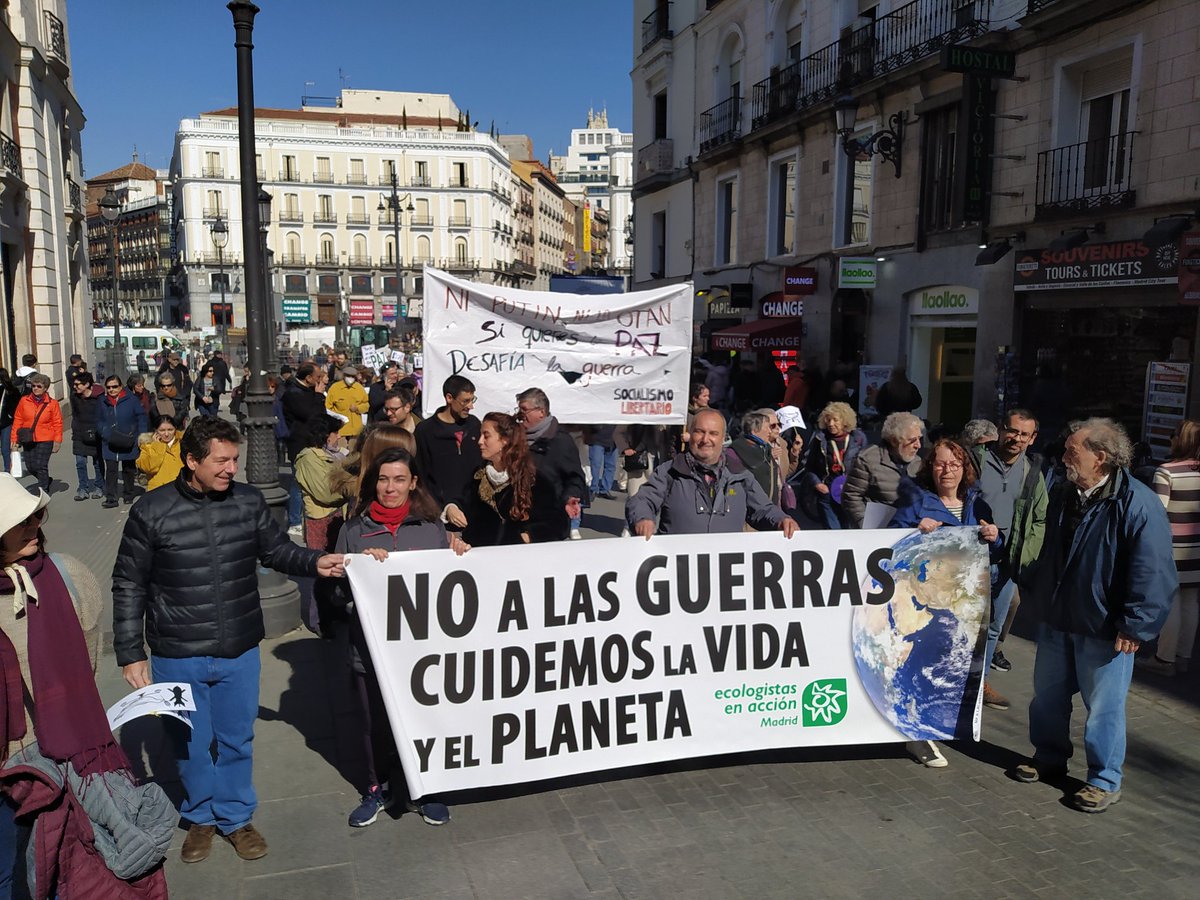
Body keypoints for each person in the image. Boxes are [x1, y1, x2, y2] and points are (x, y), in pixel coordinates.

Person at [112, 417, 347, 863]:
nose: (230, 469)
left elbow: (277, 551)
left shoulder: (248, 501)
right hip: (176, 653)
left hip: (238, 647)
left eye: (234, 460)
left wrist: (316, 562)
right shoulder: (151, 509)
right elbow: (128, 583)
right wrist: (130, 653)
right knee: (187, 743)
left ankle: (236, 819)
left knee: (237, 741)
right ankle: (200, 817)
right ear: (192, 460)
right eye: (221, 460)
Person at [0, 474, 172, 898]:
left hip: (66, 762)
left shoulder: (68, 574)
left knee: (67, 866)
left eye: (35, 515)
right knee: (8, 874)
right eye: (18, 521)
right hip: (5, 768)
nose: (34, 526)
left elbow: (89, 666)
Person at [1013, 418, 1175, 813]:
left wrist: (1136, 625)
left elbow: (1152, 570)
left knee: (1103, 708)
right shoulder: (1067, 492)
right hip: (1059, 619)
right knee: (1047, 699)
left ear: (1099, 457)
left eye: (1072, 451)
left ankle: (1103, 779)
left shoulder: (1137, 502)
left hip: (1104, 628)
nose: (1064, 457)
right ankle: (1049, 757)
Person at [332, 447, 467, 828]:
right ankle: (376, 788)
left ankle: (427, 789)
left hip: (421, 654)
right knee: (373, 723)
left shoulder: (431, 530)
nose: (390, 488)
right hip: (370, 653)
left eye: (399, 479)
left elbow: (449, 588)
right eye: (383, 479)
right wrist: (356, 574)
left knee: (425, 720)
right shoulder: (353, 531)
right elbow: (335, 597)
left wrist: (460, 556)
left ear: (413, 484)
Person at [891, 438, 1003, 769]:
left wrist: (996, 538)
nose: (947, 471)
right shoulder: (918, 503)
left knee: (955, 666)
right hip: (929, 605)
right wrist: (914, 529)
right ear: (930, 468)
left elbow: (993, 551)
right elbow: (889, 541)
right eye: (940, 464)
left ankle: (945, 725)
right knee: (921, 665)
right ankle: (916, 737)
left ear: (965, 469)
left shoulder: (976, 505)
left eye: (954, 464)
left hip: (966, 603)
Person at [971, 410, 1047, 706]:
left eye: (1023, 434)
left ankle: (979, 685)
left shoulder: (1032, 471)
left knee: (993, 627)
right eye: (1012, 431)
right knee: (962, 625)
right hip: (970, 558)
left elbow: (1040, 519)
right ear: (1001, 430)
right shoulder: (975, 460)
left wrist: (1023, 557)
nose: (1015, 439)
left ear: (1032, 439)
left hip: (1006, 564)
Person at [626, 409, 799, 538]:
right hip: (679, 571)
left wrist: (782, 520)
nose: (705, 439)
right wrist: (643, 518)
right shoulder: (670, 472)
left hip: (725, 573)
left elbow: (763, 509)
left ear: (723, 438)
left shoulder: (740, 475)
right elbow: (641, 500)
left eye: (713, 433)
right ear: (690, 435)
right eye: (699, 431)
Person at [443, 412, 566, 546]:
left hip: (518, 560)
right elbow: (463, 501)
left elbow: (558, 523)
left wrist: (528, 536)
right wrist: (452, 508)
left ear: (505, 440)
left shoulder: (534, 480)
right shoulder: (478, 476)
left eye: (486, 436)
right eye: (480, 435)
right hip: (480, 558)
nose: (480, 441)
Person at [1142, 419, 1200, 675]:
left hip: (1173, 549)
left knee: (1171, 602)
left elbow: (1158, 513)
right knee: (1190, 602)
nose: (1171, 440)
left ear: (1181, 440)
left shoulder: (1167, 472)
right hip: (1197, 549)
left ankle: (1164, 659)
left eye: (1174, 435)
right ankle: (1183, 655)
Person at [515, 387, 585, 541]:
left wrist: (570, 497)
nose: (520, 415)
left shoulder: (561, 441)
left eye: (524, 410)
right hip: (518, 522)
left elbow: (575, 478)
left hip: (549, 524)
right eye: (519, 410)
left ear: (541, 411)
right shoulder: (515, 438)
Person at [841, 412, 924, 528]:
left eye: (919, 439)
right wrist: (864, 524)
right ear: (894, 440)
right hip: (878, 532)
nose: (918, 445)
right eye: (912, 440)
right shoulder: (868, 459)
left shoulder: (918, 463)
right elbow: (851, 496)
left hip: (908, 533)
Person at [413, 375, 482, 508]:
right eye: (465, 401)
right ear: (449, 398)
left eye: (472, 400)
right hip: (439, 510)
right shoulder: (425, 431)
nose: (471, 406)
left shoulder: (474, 425)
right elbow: (421, 473)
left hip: (473, 509)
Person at [800, 401, 868, 529]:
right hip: (827, 493)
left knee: (850, 531)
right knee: (832, 532)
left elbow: (866, 467)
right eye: (828, 420)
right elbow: (809, 466)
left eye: (835, 420)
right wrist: (817, 484)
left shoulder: (859, 439)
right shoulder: (820, 439)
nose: (831, 424)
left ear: (845, 420)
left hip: (850, 494)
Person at [293, 417, 348, 552]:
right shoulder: (309, 458)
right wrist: (351, 488)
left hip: (340, 516)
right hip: (322, 520)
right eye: (335, 432)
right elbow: (326, 494)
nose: (339, 436)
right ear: (325, 436)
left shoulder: (337, 454)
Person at [97, 374, 148, 509]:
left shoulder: (131, 400)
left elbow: (141, 417)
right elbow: (98, 420)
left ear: (120, 387)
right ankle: (111, 497)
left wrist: (141, 435)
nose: (111, 390)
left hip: (129, 440)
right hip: (110, 442)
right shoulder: (102, 401)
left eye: (114, 386)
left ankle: (128, 494)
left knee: (128, 469)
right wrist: (104, 432)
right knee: (111, 470)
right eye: (108, 387)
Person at [10, 373, 62, 493]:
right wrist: (14, 440)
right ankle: (46, 480)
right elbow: (18, 420)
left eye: (39, 386)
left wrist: (57, 441)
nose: (35, 388)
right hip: (27, 438)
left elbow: (57, 423)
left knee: (40, 465)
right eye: (33, 386)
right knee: (30, 466)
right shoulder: (24, 401)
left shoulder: (52, 403)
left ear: (45, 388)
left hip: (46, 438)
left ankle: (44, 490)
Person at [728, 408, 784, 506]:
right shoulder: (734, 453)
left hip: (769, 511)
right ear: (754, 430)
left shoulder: (766, 449)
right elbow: (731, 489)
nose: (770, 432)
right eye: (769, 427)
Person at [69, 373, 106, 501]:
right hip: (79, 433)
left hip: (95, 434)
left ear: (87, 385)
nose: (75, 387)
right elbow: (75, 414)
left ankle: (99, 486)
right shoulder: (74, 397)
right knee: (80, 462)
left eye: (77, 384)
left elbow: (103, 415)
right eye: (74, 384)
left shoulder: (99, 398)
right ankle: (82, 488)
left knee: (97, 462)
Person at [136, 413, 184, 491]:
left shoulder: (183, 443)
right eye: (162, 430)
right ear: (156, 430)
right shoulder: (147, 446)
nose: (166, 434)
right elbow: (148, 468)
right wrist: (157, 447)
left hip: (181, 489)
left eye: (170, 430)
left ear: (175, 429)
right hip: (158, 490)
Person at [325, 367, 369, 440]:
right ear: (343, 376)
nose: (350, 378)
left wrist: (357, 408)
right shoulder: (335, 388)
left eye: (352, 376)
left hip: (356, 432)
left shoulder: (359, 388)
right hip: (340, 432)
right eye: (348, 376)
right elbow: (328, 408)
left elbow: (366, 405)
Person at [584, 424, 620, 501]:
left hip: (613, 440)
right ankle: (593, 489)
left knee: (611, 466)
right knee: (595, 465)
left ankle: (605, 490)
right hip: (597, 439)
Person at [0, 368, 17, 473]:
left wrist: (10, 416)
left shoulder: (10, 390)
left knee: (5, 448)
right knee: (5, 449)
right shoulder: (12, 390)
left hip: (6, 422)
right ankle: (7, 469)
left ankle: (8, 469)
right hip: (6, 421)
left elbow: (14, 406)